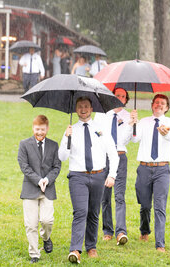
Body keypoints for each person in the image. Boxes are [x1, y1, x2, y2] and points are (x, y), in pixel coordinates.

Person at [58, 97, 119, 264]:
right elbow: (62, 156)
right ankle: (75, 250)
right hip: (78, 176)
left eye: (86, 106)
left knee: (93, 213)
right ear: (76, 109)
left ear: (91, 108)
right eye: (79, 107)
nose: (83, 109)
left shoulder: (101, 129)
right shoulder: (72, 129)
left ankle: (91, 247)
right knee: (80, 212)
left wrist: (112, 174)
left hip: (99, 175)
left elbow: (113, 153)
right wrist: (65, 137)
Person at [128, 94, 170, 253]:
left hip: (162, 169)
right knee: (145, 204)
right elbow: (135, 139)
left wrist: (165, 133)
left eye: (162, 103)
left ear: (167, 107)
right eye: (156, 103)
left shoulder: (169, 122)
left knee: (160, 206)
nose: (159, 105)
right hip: (144, 168)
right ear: (152, 105)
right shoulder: (144, 122)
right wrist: (133, 123)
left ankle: (160, 243)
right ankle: (144, 230)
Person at [17, 115, 61, 264]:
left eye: (43, 129)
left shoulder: (54, 146)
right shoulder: (24, 144)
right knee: (31, 224)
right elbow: (24, 166)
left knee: (47, 220)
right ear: (33, 128)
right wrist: (38, 180)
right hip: (30, 188)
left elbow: (56, 166)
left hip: (47, 189)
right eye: (37, 129)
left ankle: (46, 238)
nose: (40, 132)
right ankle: (34, 253)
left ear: (47, 129)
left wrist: (47, 180)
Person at [93, 88, 131, 245]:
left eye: (123, 96)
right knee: (105, 196)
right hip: (105, 157)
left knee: (120, 195)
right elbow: (96, 133)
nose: (120, 98)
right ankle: (107, 230)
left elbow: (126, 140)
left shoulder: (128, 116)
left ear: (126, 99)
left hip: (120, 156)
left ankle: (121, 231)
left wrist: (131, 125)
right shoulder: (101, 114)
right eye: (117, 95)